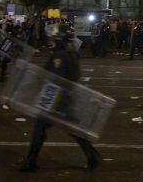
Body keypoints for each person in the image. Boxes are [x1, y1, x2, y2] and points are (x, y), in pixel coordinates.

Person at [18, 23, 101, 172]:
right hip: (65, 98)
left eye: (54, 39)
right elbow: (75, 75)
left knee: (40, 130)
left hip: (54, 98)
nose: (52, 41)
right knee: (73, 129)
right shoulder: (72, 53)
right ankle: (93, 157)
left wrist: (39, 82)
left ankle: (30, 163)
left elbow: (56, 78)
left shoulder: (59, 55)